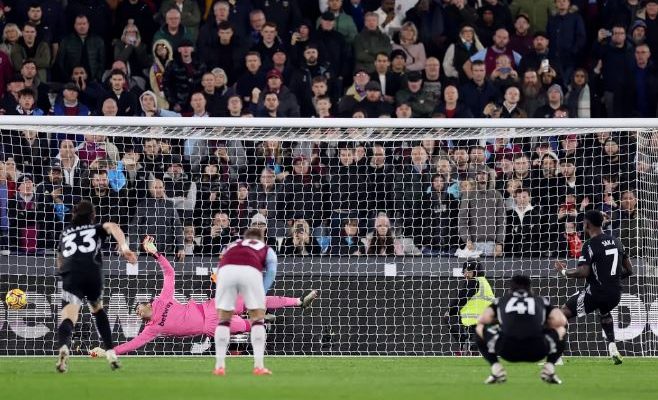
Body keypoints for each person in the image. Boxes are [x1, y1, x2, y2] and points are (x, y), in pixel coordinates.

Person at [89, 236, 317, 356]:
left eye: (138, 308)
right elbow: (131, 345)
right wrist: (109, 350)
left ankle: (298, 302)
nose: (138, 312)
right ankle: (258, 321)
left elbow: (169, 272)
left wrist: (155, 253)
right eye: (137, 314)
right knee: (244, 324)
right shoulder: (152, 329)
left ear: (148, 303)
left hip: (210, 307)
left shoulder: (162, 300)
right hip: (210, 326)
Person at [55, 200, 137, 373]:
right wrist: (124, 248)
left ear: (74, 215)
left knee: (69, 317)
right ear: (92, 216)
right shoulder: (95, 228)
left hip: (72, 274)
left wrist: (64, 273)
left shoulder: (65, 233)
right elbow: (114, 226)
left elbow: (60, 259)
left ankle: (63, 347)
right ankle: (110, 352)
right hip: (92, 272)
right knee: (97, 309)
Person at [554, 210, 633, 365]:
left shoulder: (590, 244)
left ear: (587, 224)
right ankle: (612, 347)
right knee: (604, 311)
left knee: (561, 313)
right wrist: (612, 280)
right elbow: (630, 270)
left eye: (583, 223)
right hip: (615, 294)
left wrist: (564, 272)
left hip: (597, 292)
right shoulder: (617, 241)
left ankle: (556, 357)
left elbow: (583, 272)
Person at [475, 275, 567, 384]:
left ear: (510, 288)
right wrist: (542, 322)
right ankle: (549, 368)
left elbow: (482, 319)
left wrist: (502, 320)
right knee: (561, 329)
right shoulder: (541, 300)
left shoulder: (501, 301)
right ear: (530, 288)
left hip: (507, 351)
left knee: (479, 328)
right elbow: (561, 321)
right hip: (537, 351)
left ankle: (496, 369)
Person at [213, 228, 278, 376]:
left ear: (245, 238)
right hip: (250, 271)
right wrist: (262, 290)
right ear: (261, 239)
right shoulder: (266, 248)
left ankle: (219, 366)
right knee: (257, 320)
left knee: (223, 320)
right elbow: (272, 272)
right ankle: (259, 366)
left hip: (225, 271)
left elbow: (220, 264)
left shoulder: (234, 244)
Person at [443, 260, 494, 354]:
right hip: (486, 320)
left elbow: (461, 298)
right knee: (476, 348)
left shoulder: (473, 281)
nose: (466, 274)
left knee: (449, 318)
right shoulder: (484, 282)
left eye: (469, 271)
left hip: (476, 319)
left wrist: (449, 311)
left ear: (476, 272)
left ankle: (464, 344)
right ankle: (467, 346)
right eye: (464, 272)